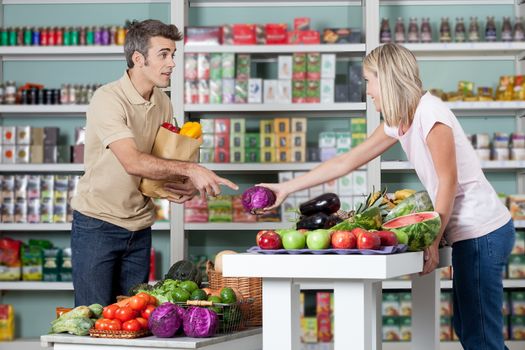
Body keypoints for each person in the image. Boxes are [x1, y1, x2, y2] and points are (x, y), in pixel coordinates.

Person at [260, 43, 515, 350]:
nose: (368, 91)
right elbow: (345, 162)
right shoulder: (399, 120)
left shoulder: (430, 113)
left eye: (369, 81)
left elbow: (448, 182)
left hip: (482, 232)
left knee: (481, 337)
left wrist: (433, 240)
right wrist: (286, 188)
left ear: (387, 78)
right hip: (468, 235)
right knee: (468, 328)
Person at [71, 19, 238, 307]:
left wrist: (180, 186)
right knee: (94, 321)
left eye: (173, 54)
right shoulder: (108, 99)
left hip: (139, 227)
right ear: (139, 59)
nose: (172, 63)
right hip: (98, 225)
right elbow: (134, 162)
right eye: (164, 54)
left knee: (134, 320)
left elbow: (163, 158)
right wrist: (191, 170)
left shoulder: (162, 100)